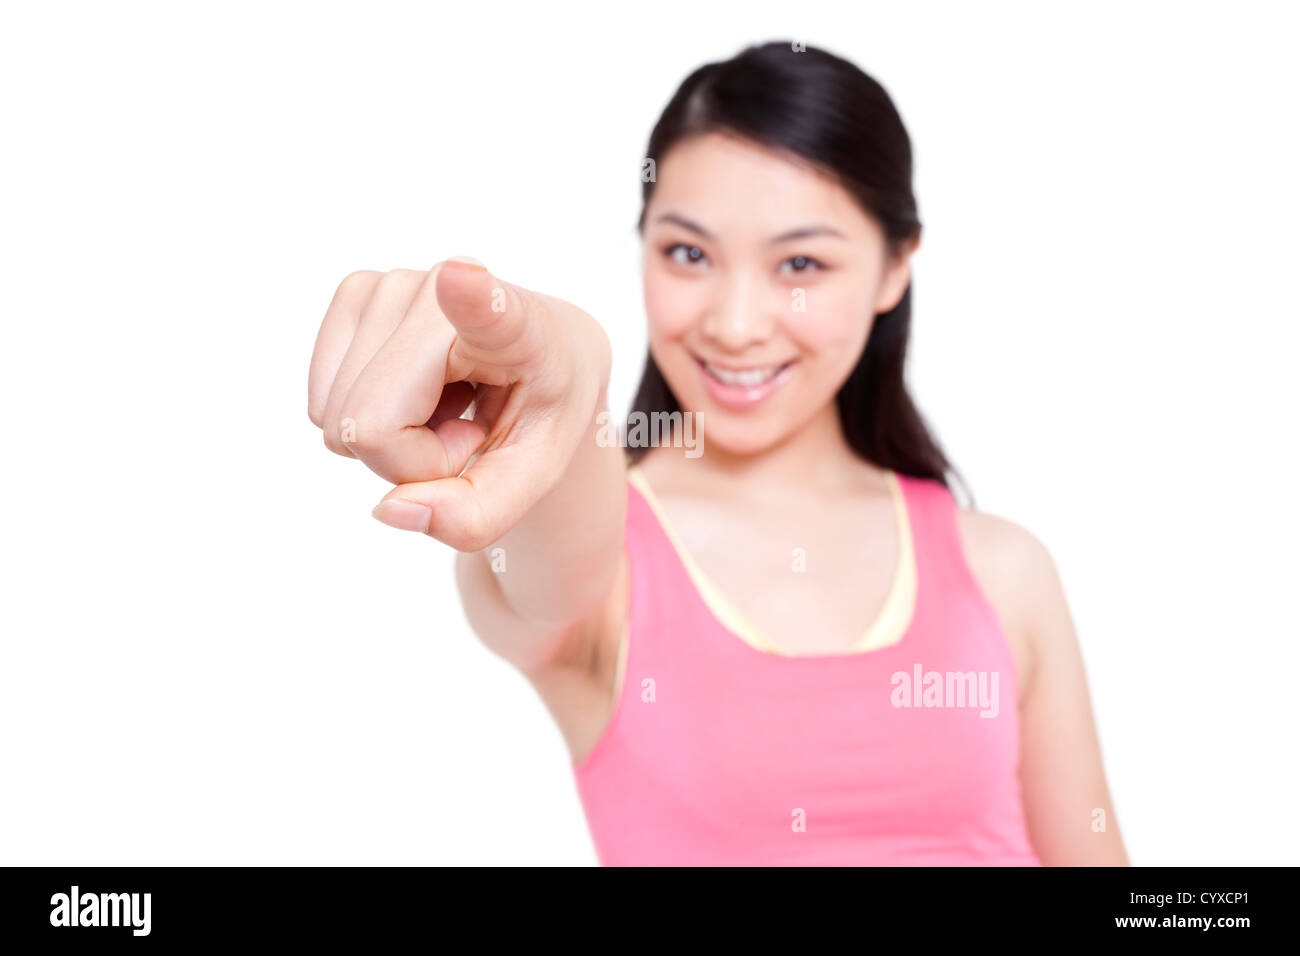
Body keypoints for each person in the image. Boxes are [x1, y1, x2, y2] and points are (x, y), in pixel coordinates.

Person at [306, 41, 1129, 866]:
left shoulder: (1005, 572)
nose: (735, 324)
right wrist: (568, 370)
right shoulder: (606, 573)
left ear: (894, 268)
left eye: (801, 263)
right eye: (688, 254)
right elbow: (547, 534)